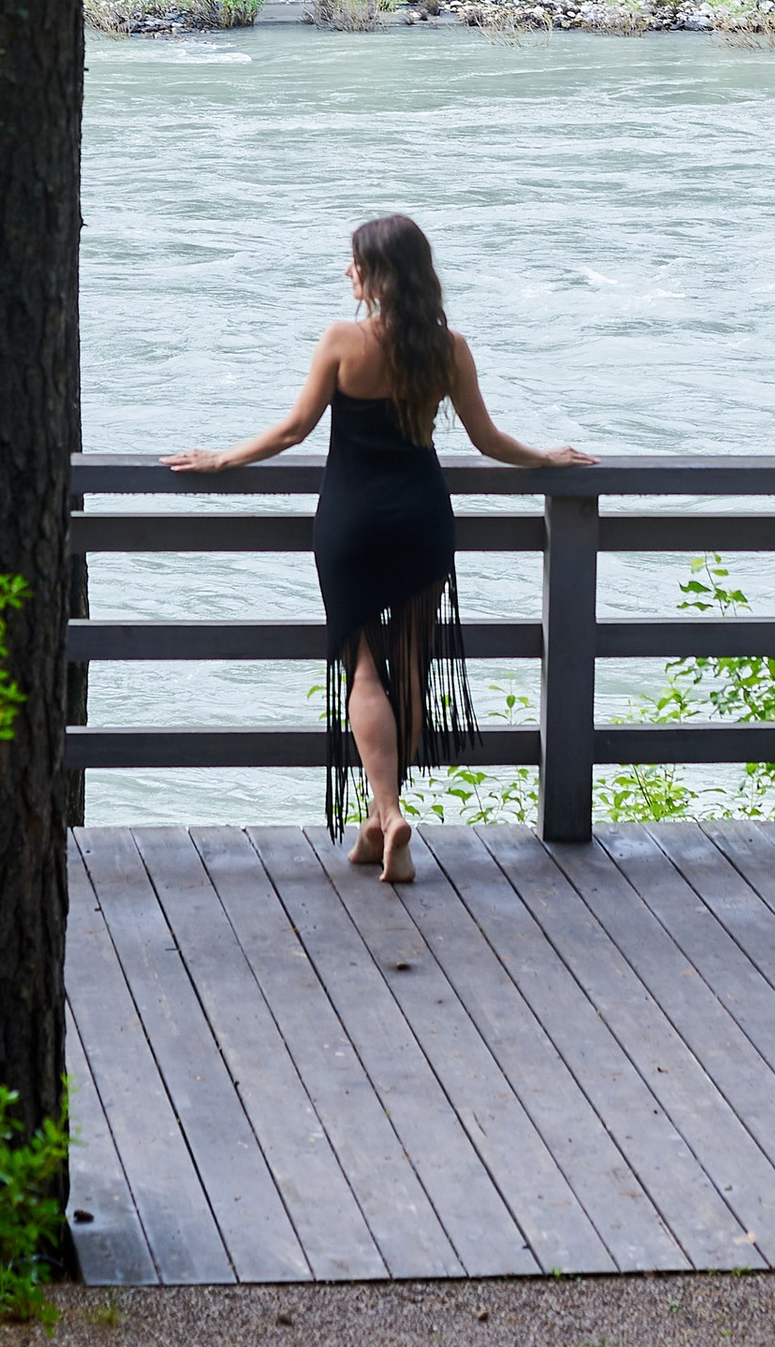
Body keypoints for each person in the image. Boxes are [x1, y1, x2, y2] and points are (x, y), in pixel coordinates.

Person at [167, 213, 591, 882]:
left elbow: (293, 430)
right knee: (412, 666)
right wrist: (545, 456)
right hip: (421, 517)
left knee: (364, 670)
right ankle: (378, 820)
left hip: (352, 522)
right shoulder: (450, 347)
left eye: (354, 264)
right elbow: (486, 439)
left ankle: (386, 813)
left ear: (378, 274)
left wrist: (222, 459)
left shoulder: (342, 341)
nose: (347, 274)